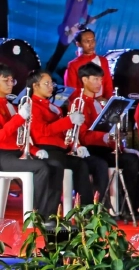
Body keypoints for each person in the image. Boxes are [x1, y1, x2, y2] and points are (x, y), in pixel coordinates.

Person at [73, 62, 139, 219]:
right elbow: (83, 135)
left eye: (101, 79)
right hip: (90, 149)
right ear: (84, 80)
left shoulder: (100, 102)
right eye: (96, 79)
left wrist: (122, 144)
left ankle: (129, 206)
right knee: (124, 162)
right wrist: (104, 136)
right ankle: (100, 210)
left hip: (106, 148)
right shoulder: (78, 102)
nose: (100, 83)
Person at [0, 64, 62, 228]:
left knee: (55, 165)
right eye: (5, 80)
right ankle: (39, 214)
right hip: (2, 155)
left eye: (11, 80)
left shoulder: (11, 106)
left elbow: (21, 137)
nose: (10, 84)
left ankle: (51, 213)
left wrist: (35, 150)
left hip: (15, 152)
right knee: (41, 167)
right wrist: (19, 118)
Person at [26, 70, 97, 206]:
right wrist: (68, 120)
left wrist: (76, 145)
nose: (51, 86)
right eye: (46, 83)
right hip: (45, 149)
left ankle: (86, 210)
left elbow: (64, 132)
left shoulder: (53, 107)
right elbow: (44, 131)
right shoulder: (32, 106)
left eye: (51, 83)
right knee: (56, 166)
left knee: (81, 164)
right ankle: (49, 214)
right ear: (35, 86)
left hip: (60, 149)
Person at [46, 0, 96, 73]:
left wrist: (91, 18)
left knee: (82, 48)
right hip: (67, 30)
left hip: (75, 30)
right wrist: (70, 28)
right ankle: (48, 71)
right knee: (59, 53)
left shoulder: (84, 2)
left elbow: (84, 15)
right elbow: (67, 15)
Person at [63, 29, 114, 99]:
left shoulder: (103, 60)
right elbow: (71, 90)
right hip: (82, 104)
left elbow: (108, 84)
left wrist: (107, 100)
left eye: (93, 40)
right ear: (78, 44)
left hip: (101, 103)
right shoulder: (73, 64)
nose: (91, 44)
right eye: (87, 41)